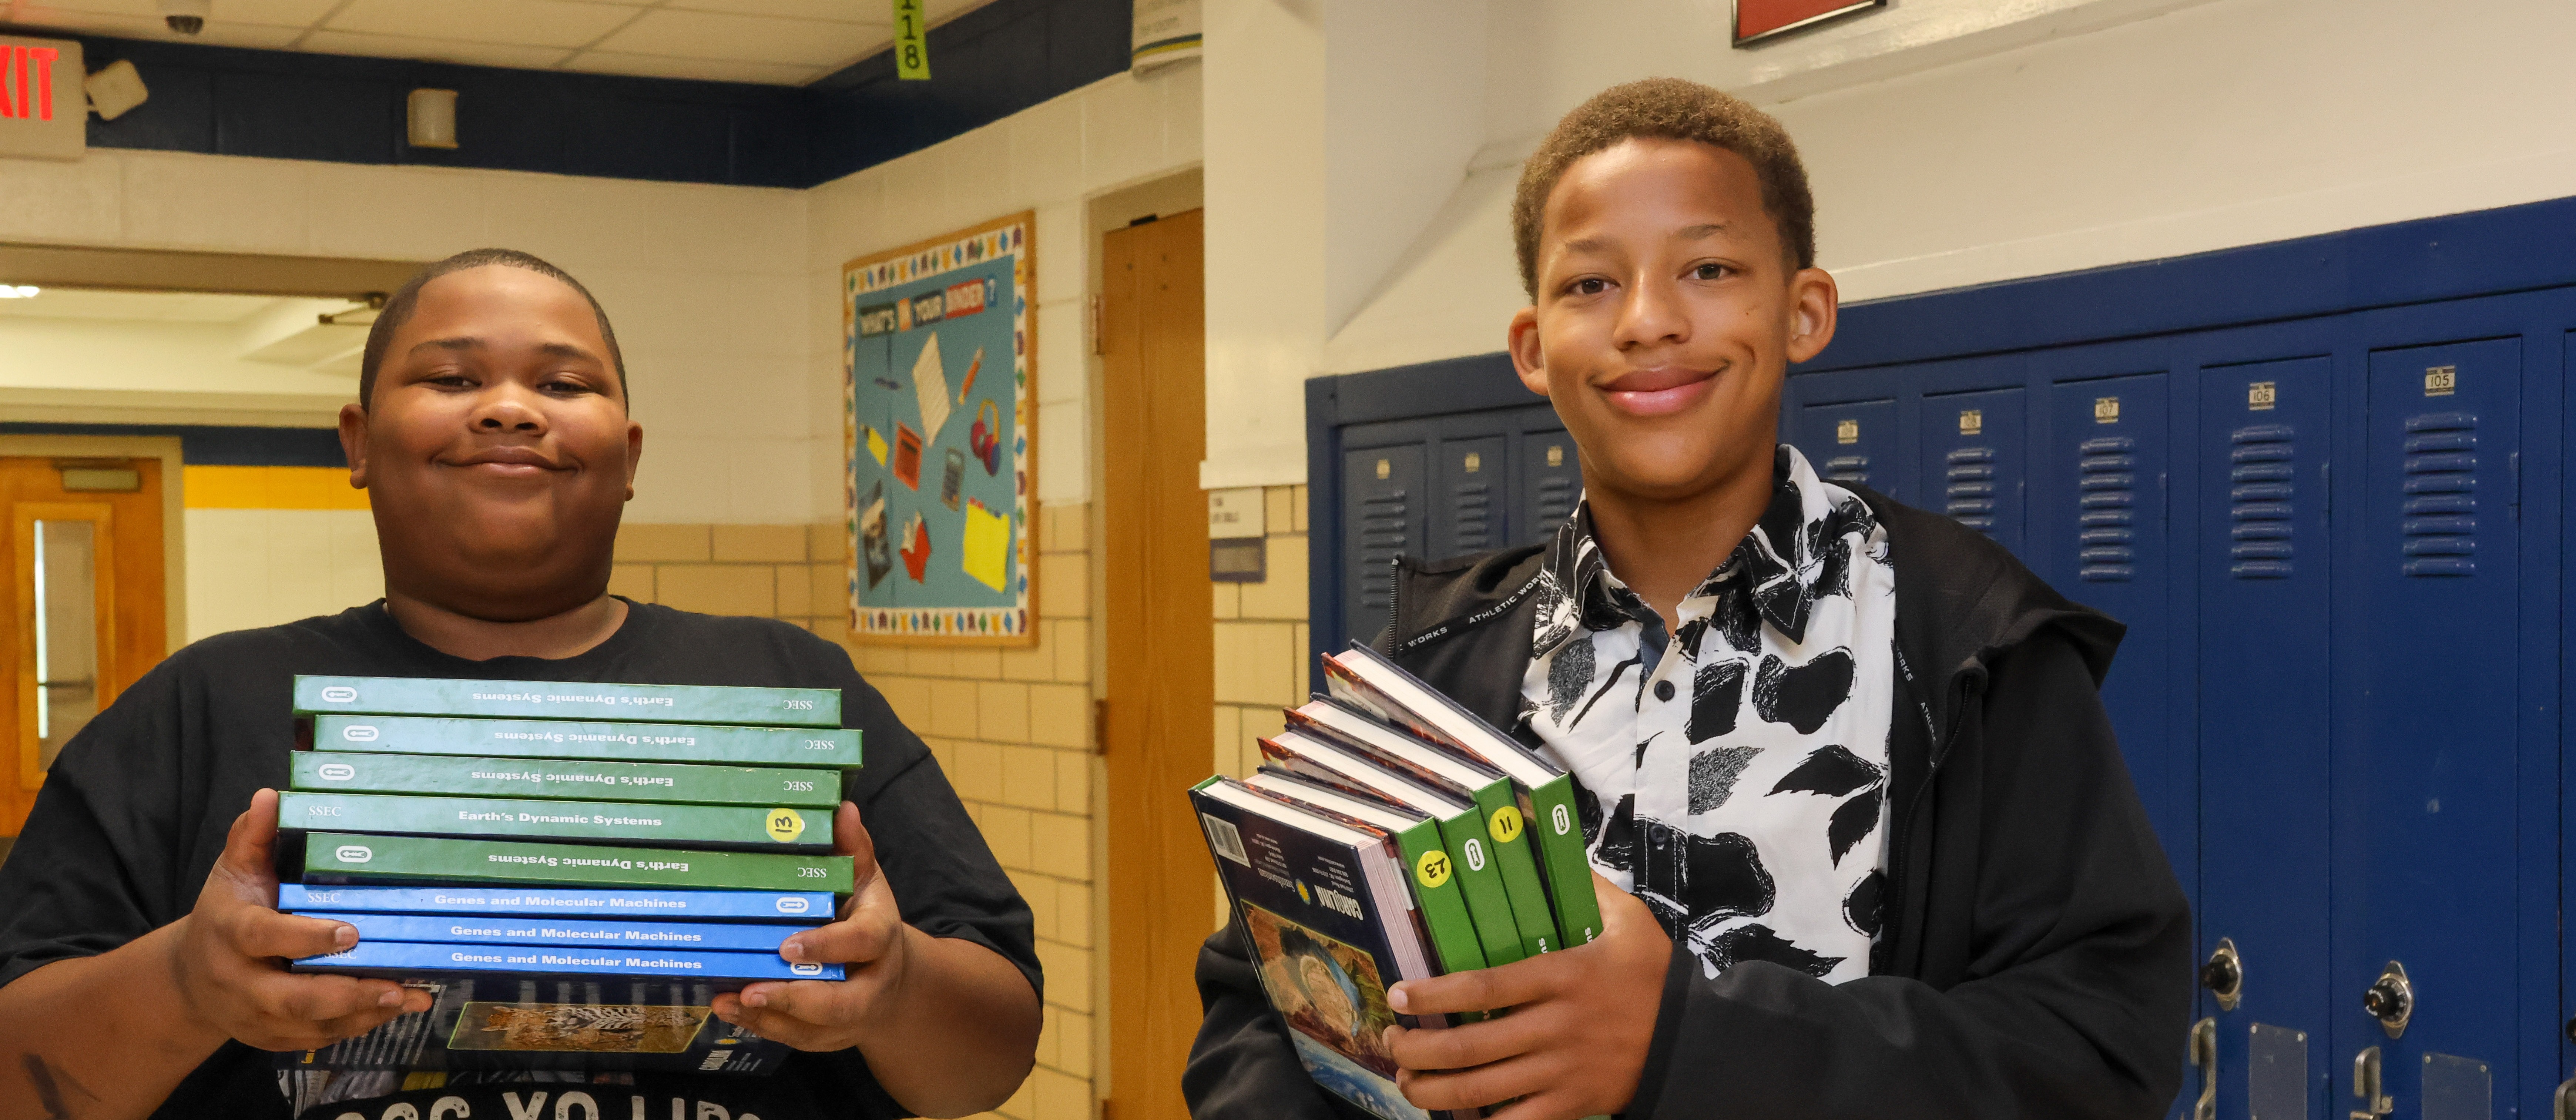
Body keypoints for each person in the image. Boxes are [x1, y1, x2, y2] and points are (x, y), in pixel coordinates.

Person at [1185, 78, 2191, 1120]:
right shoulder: (1431, 670)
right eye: (1590, 286)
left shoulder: (1967, 648)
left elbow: (2099, 1046)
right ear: (1534, 348)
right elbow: (1264, 1003)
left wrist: (1683, 1043)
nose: (1649, 322)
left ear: (1804, 311)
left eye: (1709, 269)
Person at [0, 249, 1043, 1120]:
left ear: (628, 456)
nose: (509, 410)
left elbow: (992, 1057)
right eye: (452, 379)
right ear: (357, 443)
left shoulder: (791, 685)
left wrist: (893, 984)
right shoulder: (201, 706)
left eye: (562, 384)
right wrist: (188, 983)